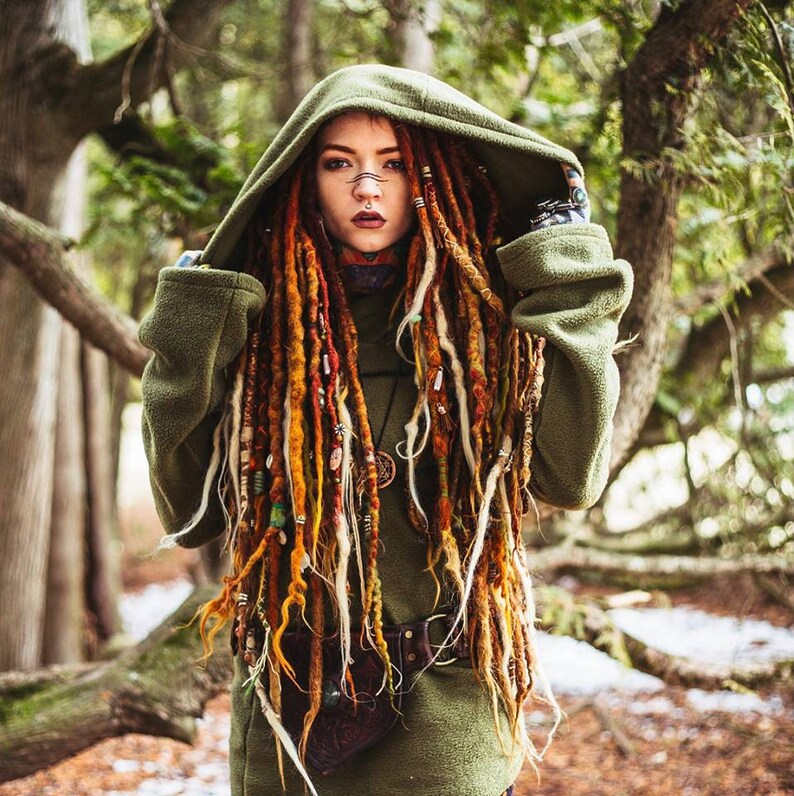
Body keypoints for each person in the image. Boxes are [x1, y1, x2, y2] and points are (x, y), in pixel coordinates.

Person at [139, 64, 633, 796]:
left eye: (392, 166)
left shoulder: (489, 325)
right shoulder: (259, 330)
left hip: (448, 708)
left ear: (429, 176)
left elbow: (570, 477)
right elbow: (188, 511)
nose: (367, 188)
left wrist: (572, 294)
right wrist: (194, 333)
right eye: (341, 164)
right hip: (291, 713)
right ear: (305, 181)